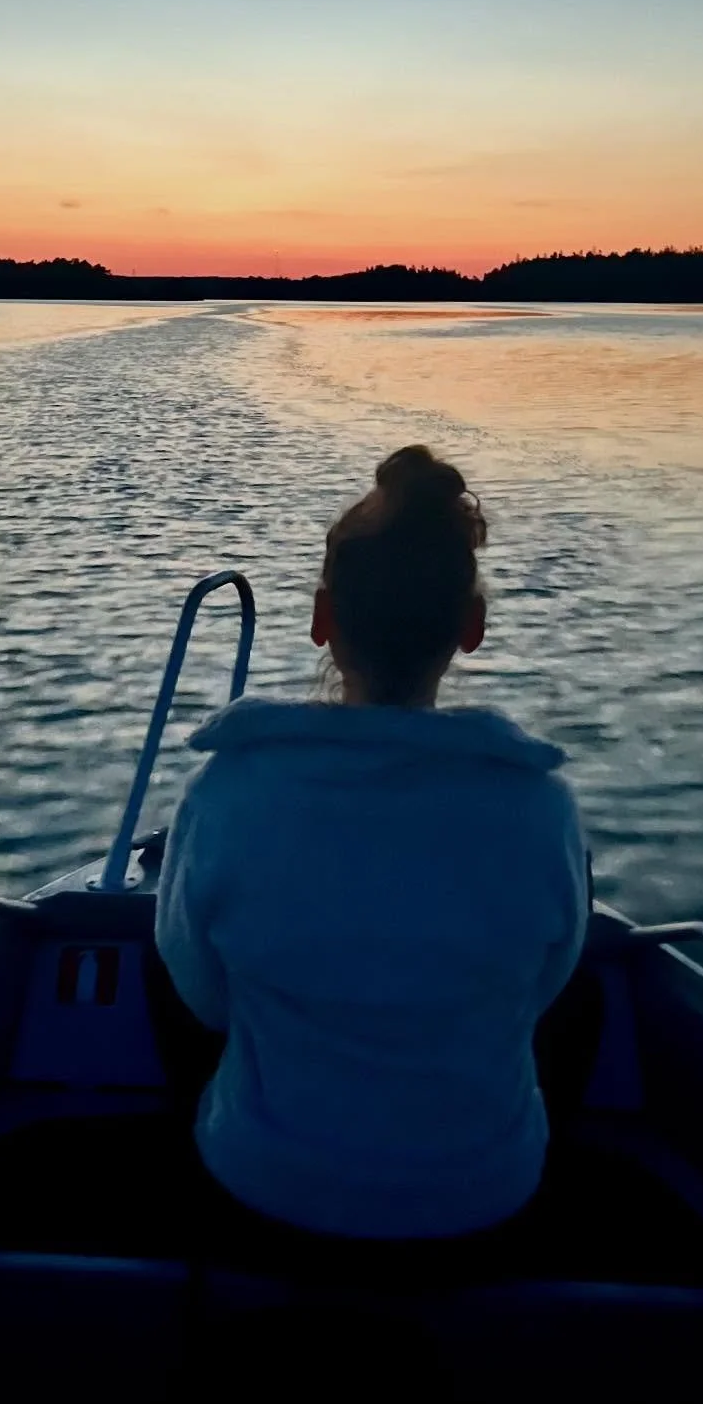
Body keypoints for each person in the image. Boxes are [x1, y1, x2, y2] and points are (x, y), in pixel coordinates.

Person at [154, 445, 589, 1241]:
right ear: (472, 628)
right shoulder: (541, 808)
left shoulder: (226, 793)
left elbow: (202, 996)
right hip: (481, 1198)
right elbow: (545, 990)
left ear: (323, 621)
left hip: (268, 1185)